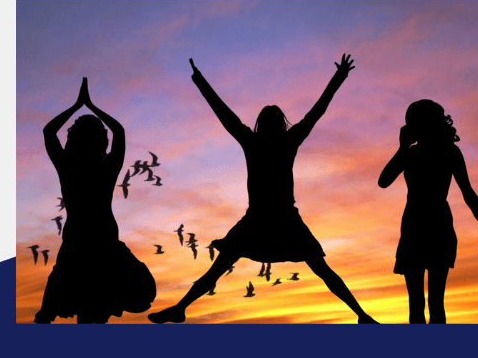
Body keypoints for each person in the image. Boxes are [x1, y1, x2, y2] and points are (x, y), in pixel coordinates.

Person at [148, 54, 377, 324]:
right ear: (281, 123)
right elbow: (317, 111)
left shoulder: (254, 140)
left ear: (263, 123)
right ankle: (361, 314)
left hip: (265, 219)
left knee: (219, 269)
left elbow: (224, 113)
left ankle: (180, 308)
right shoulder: (284, 140)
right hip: (274, 219)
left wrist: (199, 81)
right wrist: (339, 77)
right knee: (321, 270)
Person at [35, 78, 156, 324]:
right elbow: (119, 131)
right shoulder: (107, 166)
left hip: (80, 241)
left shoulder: (67, 166)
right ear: (102, 140)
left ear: (73, 138)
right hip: (101, 241)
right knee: (94, 313)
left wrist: (77, 105)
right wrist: (91, 106)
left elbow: (49, 131)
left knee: (55, 313)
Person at [378, 100, 478, 324]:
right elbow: (383, 181)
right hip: (423, 226)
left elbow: (468, 192)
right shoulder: (419, 153)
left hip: (426, 225)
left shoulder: (442, 152)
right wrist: (402, 149)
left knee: (425, 304)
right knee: (425, 303)